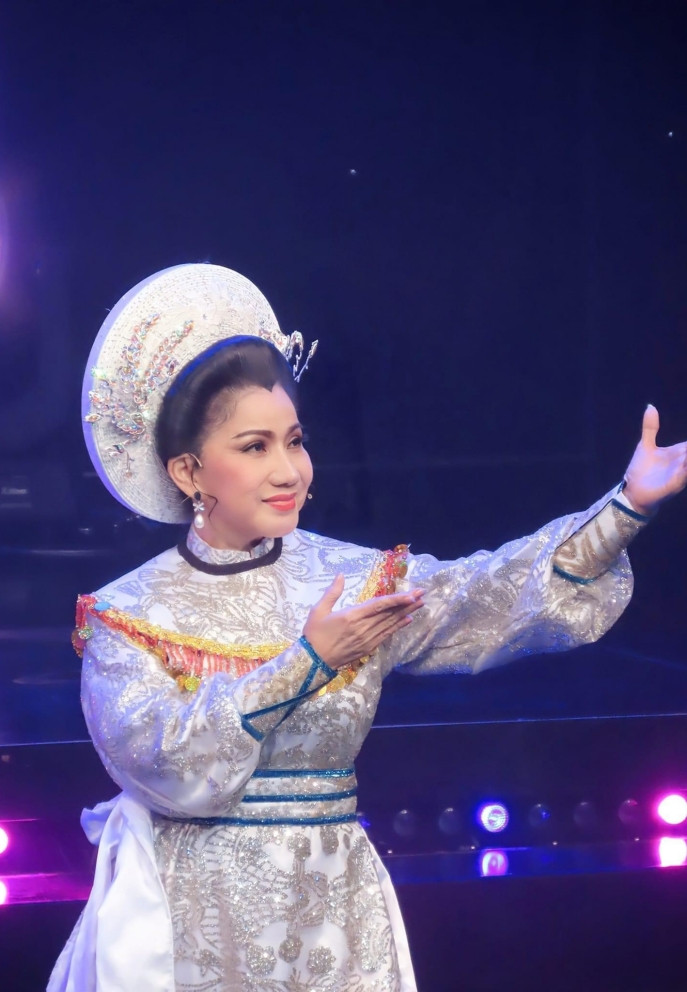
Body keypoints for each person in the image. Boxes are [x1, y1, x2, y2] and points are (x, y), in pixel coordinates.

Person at [49, 264, 687, 992]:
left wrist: (624, 509)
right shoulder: (129, 615)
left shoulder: (356, 580)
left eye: (295, 441)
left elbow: (486, 594)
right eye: (255, 447)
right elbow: (163, 765)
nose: (289, 470)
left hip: (332, 912)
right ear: (189, 472)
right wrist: (305, 663)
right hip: (192, 919)